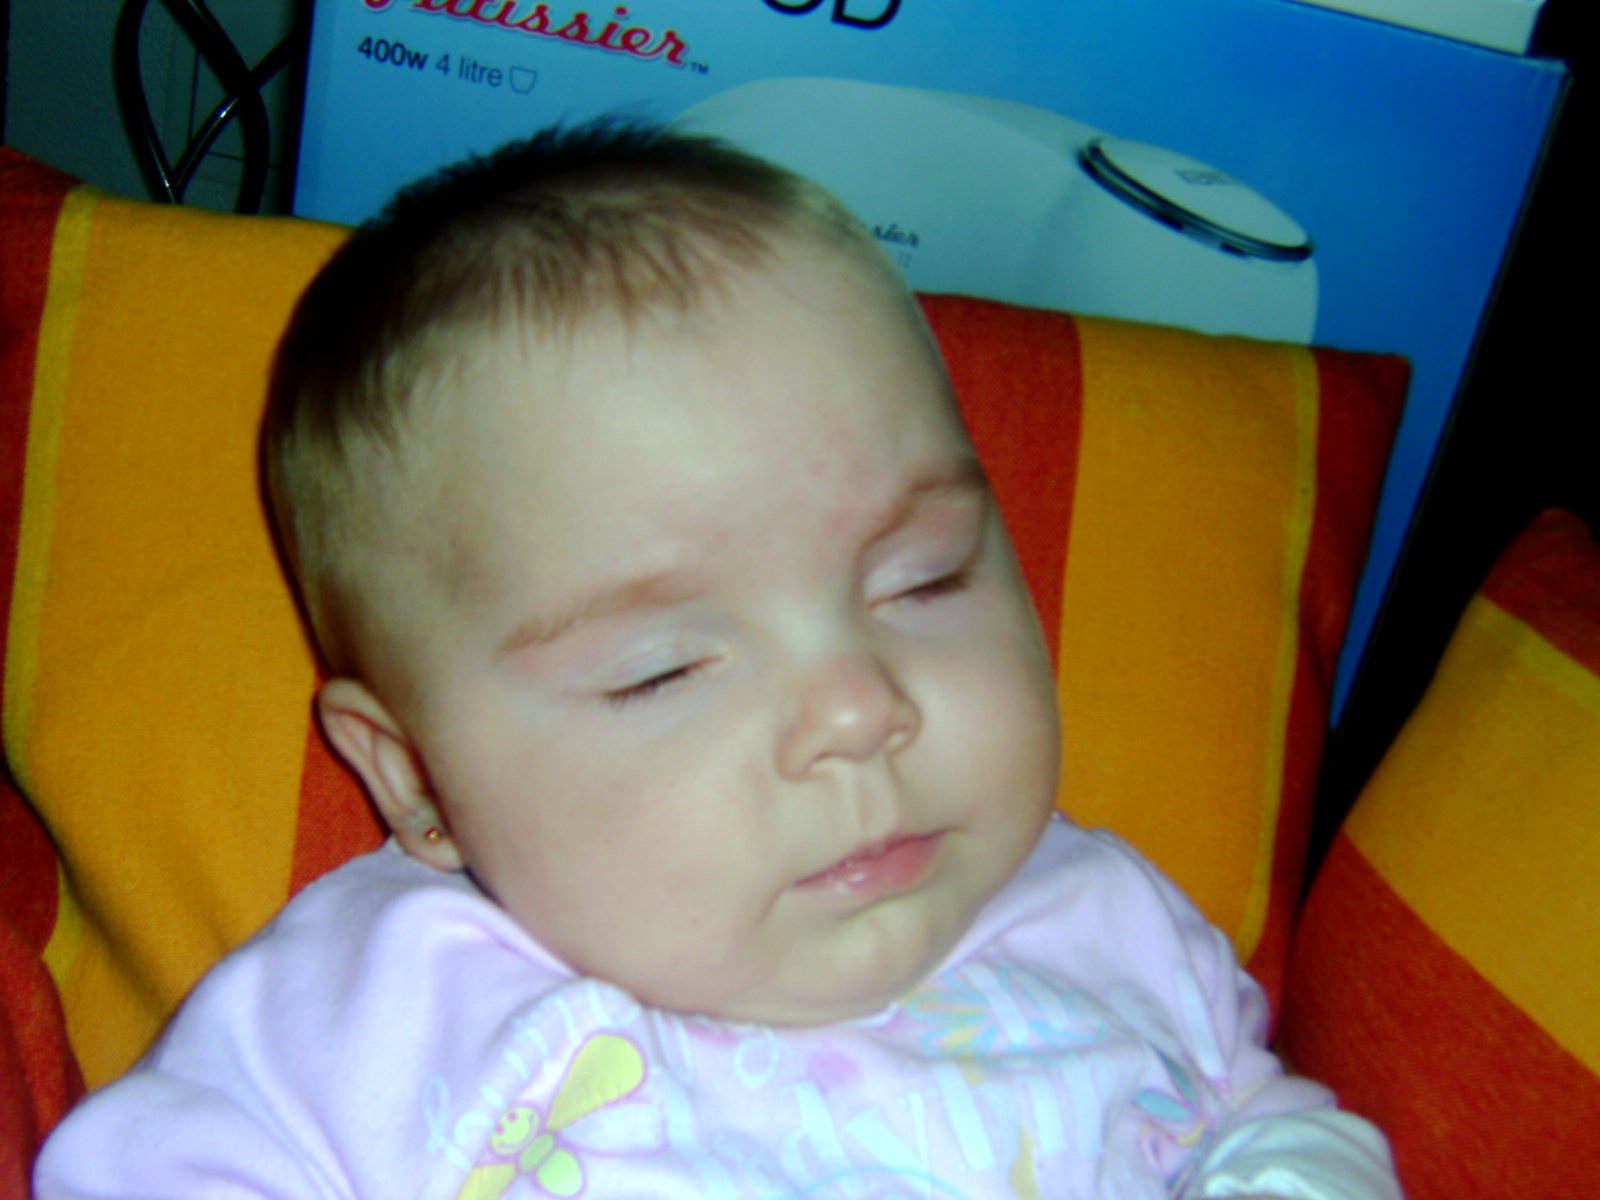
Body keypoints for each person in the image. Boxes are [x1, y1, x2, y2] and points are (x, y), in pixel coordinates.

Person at [34, 121, 1401, 1200]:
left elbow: (1261, 1117)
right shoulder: (369, 1018)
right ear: (418, 782)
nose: (860, 708)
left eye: (925, 580)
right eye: (664, 671)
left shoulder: (1106, 923)